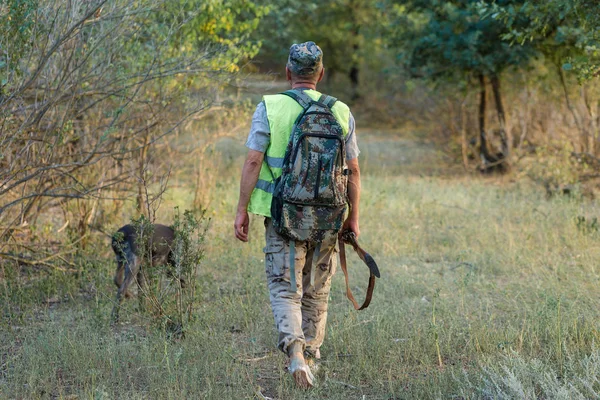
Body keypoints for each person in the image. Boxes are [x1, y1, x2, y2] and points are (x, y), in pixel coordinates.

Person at [234, 41, 361, 389]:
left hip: (283, 216)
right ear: (320, 74)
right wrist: (353, 219)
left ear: (288, 72)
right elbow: (353, 169)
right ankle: (313, 359)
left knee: (285, 287)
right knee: (317, 290)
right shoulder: (340, 110)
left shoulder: (270, 107)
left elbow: (252, 161)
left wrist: (242, 210)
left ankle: (295, 354)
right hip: (328, 219)